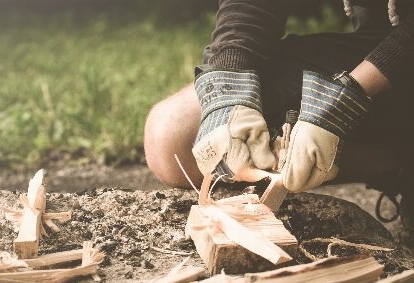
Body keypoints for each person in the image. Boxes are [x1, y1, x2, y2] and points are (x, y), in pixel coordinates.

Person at [144, 0, 414, 234]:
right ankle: (395, 159)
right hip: (381, 40)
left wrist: (347, 98)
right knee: (172, 134)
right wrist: (228, 89)